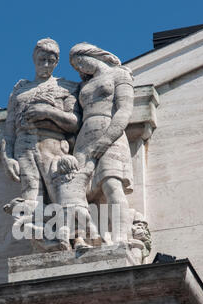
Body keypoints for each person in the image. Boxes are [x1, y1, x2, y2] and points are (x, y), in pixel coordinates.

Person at [1, 38, 81, 249]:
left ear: (57, 62)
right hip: (23, 146)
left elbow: (74, 122)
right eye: (42, 60)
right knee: (31, 196)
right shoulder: (19, 90)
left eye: (50, 61)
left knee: (58, 195)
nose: (46, 65)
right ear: (34, 59)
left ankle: (70, 239)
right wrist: (7, 158)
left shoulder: (66, 87)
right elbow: (9, 130)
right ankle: (45, 244)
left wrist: (48, 112)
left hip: (52, 144)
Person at [69, 42, 134, 243]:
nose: (80, 67)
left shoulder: (120, 74)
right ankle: (89, 237)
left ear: (93, 55)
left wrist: (106, 139)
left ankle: (121, 238)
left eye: (80, 60)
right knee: (80, 189)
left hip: (110, 132)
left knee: (112, 185)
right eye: (76, 65)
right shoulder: (82, 86)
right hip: (84, 137)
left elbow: (124, 110)